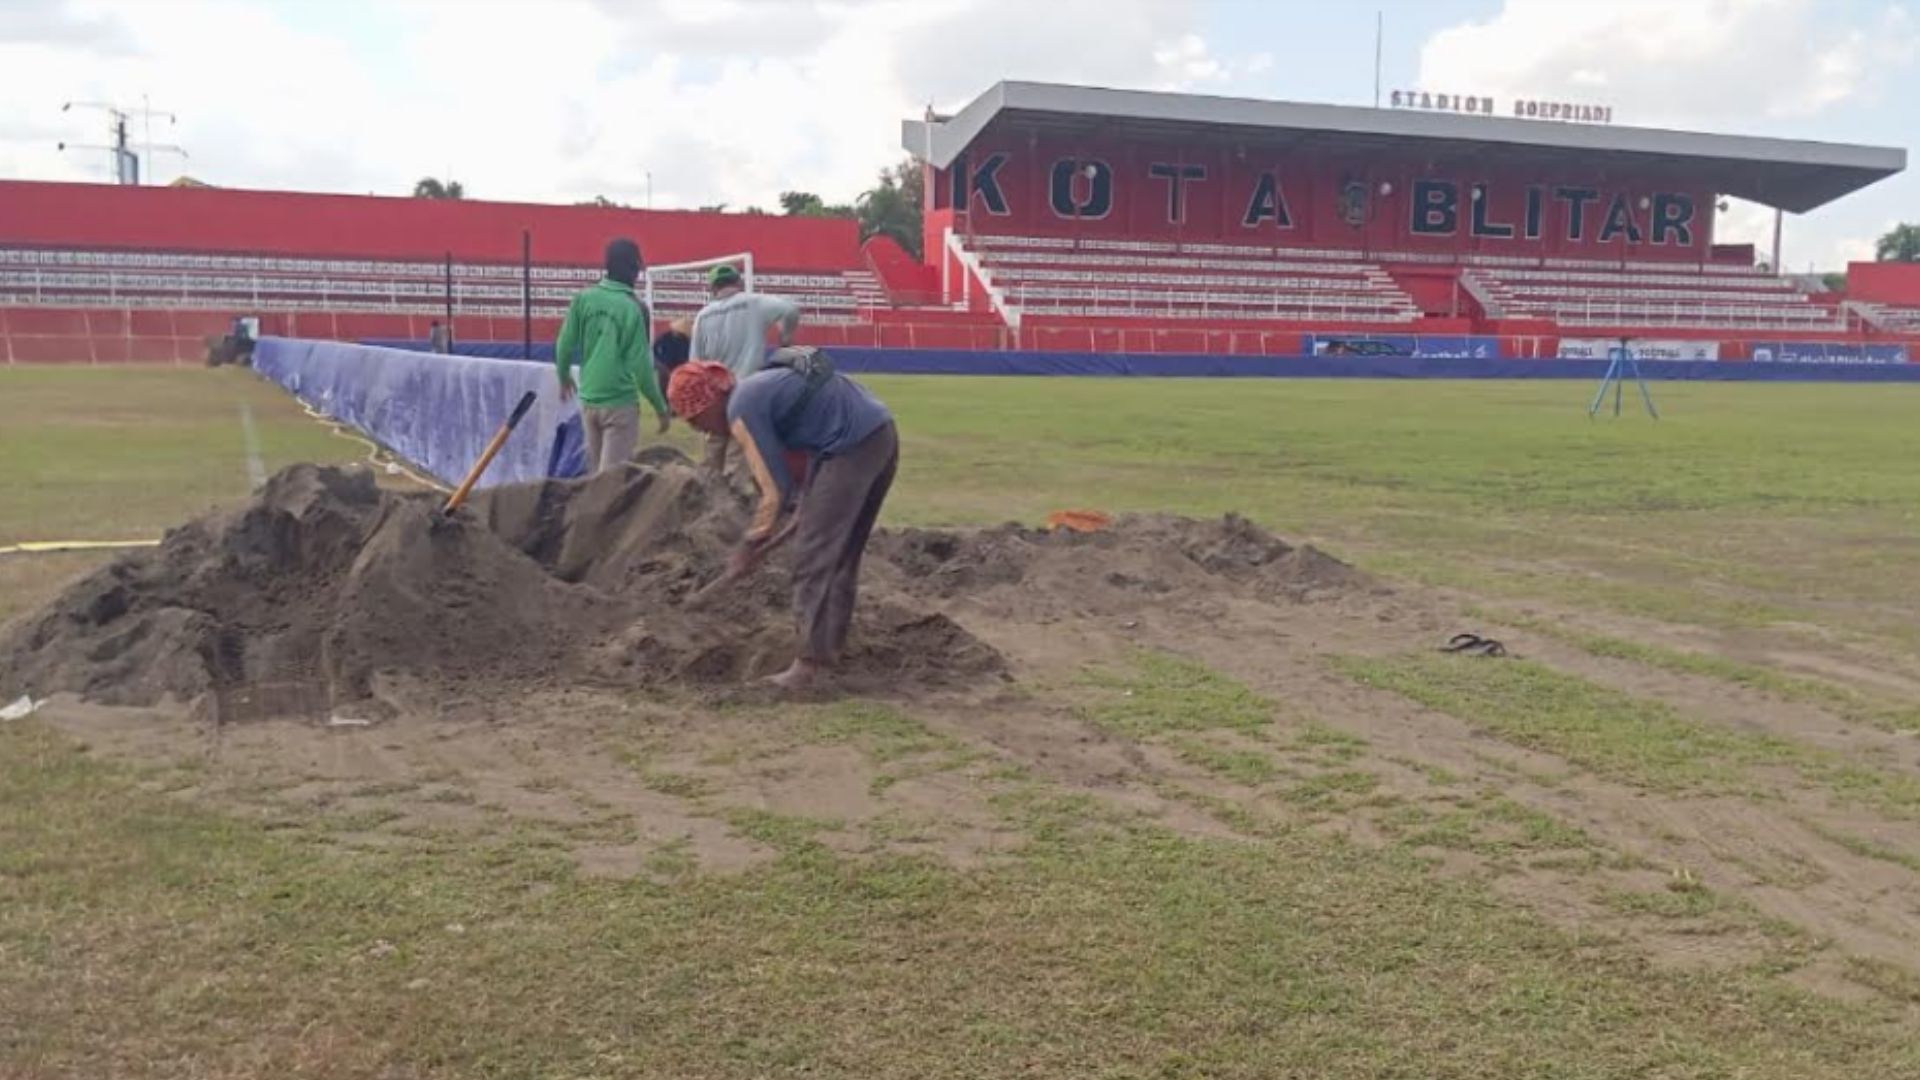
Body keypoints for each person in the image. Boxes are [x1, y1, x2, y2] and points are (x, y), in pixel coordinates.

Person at [667, 349, 896, 691]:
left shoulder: (741, 409)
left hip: (850, 445)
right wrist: (808, 500)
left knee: (812, 556)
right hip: (879, 434)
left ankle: (808, 665)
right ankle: (830, 648)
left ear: (709, 403)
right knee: (842, 554)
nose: (703, 431)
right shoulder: (759, 388)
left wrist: (750, 543)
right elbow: (801, 461)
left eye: (697, 420)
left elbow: (774, 491)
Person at [555, 238, 671, 474]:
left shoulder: (584, 299)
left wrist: (563, 375)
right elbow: (641, 365)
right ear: (635, 269)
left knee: (597, 479)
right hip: (620, 404)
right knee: (611, 485)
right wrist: (660, 406)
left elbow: (565, 344)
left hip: (589, 401)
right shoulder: (634, 308)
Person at [688, 264, 802, 473]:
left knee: (711, 462)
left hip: (715, 397)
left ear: (712, 288)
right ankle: (734, 502)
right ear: (738, 283)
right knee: (738, 459)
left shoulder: (702, 316)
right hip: (746, 392)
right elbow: (790, 310)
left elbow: (694, 364)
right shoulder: (753, 303)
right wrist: (786, 340)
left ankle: (707, 500)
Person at [652, 316, 692, 398]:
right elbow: (655, 350)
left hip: (680, 370)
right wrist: (660, 365)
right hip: (665, 368)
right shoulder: (664, 338)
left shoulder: (686, 341)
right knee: (664, 389)